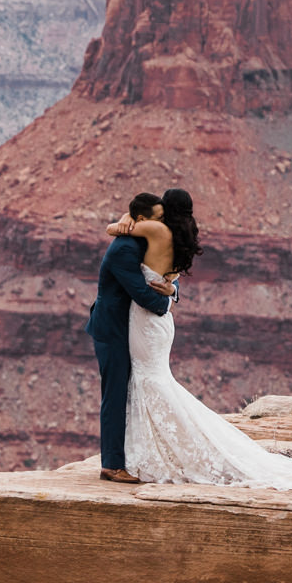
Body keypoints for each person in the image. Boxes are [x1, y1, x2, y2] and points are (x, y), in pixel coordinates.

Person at [102, 187, 292, 492]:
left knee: (149, 379)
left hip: (147, 319)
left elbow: (115, 228)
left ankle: (141, 454)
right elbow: (164, 277)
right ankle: (152, 449)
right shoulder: (180, 238)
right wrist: (172, 292)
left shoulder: (156, 230)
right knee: (154, 379)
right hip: (162, 324)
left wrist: (125, 217)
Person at [85, 191, 174, 484]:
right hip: (112, 330)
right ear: (141, 220)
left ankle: (129, 457)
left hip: (129, 329)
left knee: (130, 391)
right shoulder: (124, 248)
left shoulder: (142, 242)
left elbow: (161, 279)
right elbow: (142, 293)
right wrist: (166, 304)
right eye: (159, 219)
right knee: (115, 395)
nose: (165, 224)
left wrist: (173, 291)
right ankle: (111, 465)